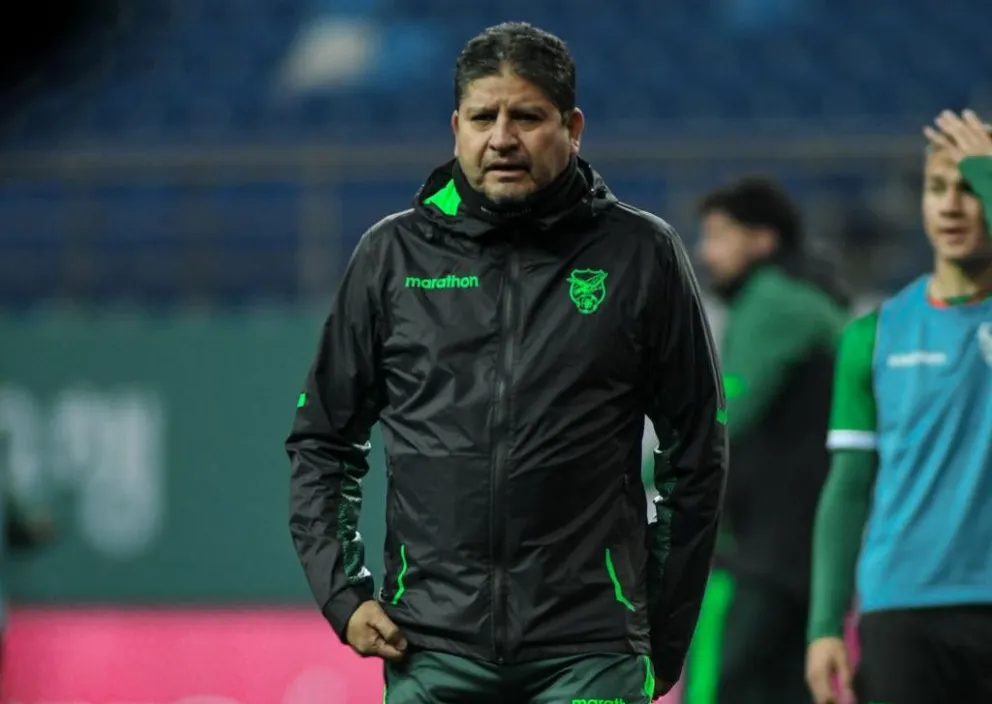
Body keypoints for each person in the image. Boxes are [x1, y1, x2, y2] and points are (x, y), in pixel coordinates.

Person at [285, 21, 727, 704]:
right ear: (455, 126)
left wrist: (661, 633)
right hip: (431, 649)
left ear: (573, 126)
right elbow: (323, 441)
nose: (502, 138)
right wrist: (342, 594)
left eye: (527, 116)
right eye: (484, 117)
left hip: (591, 649)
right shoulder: (391, 258)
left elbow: (696, 457)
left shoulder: (642, 255)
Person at [805, 109, 992, 704]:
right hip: (901, 609)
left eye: (971, 189)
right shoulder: (874, 334)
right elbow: (847, 488)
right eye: (938, 189)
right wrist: (825, 626)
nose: (952, 206)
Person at [684, 178, 848, 704]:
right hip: (808, 547)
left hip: (766, 550)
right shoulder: (811, 295)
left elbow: (722, 420)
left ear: (761, 240)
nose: (704, 251)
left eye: (717, 235)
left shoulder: (773, 300)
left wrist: (615, 473)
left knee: (722, 687)